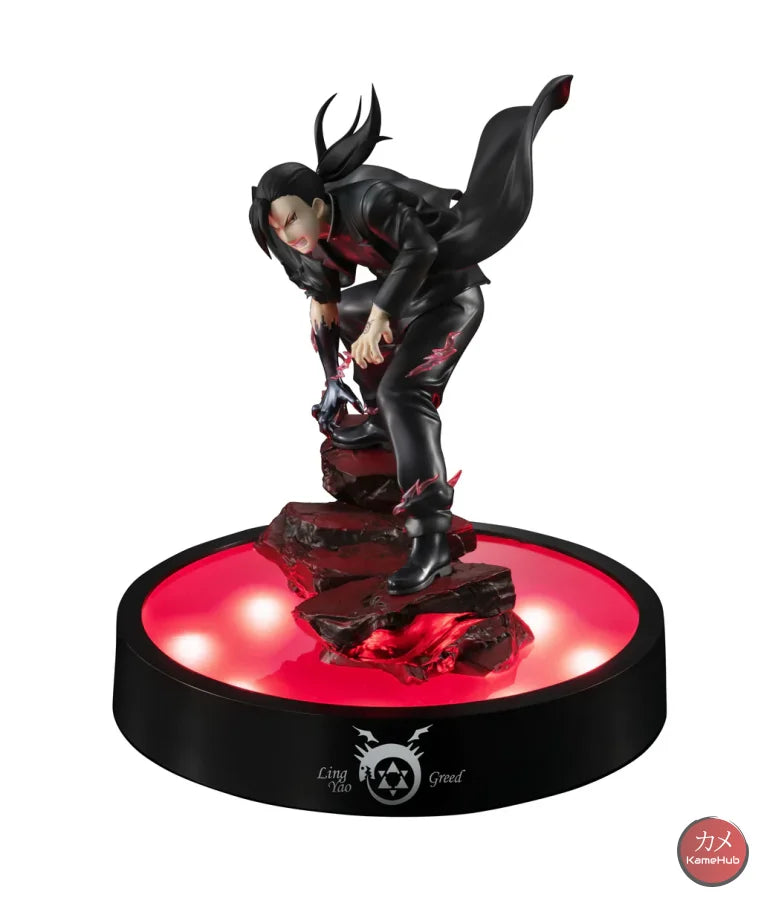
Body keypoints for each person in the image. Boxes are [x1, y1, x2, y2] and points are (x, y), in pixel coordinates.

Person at [250, 76, 571, 595]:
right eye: (277, 229)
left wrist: (380, 319)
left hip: (449, 297)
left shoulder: (370, 201)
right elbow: (326, 306)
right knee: (342, 317)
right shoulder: (311, 242)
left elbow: (421, 250)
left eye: (291, 220)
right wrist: (332, 381)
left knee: (405, 392)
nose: (289, 235)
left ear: (316, 202)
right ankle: (379, 419)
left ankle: (431, 540)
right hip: (401, 298)